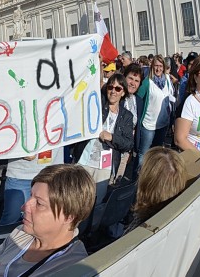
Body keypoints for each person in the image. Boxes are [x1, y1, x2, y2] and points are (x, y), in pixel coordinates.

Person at [0, 164, 95, 277]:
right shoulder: (21, 233)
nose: (24, 207)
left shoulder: (71, 269)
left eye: (39, 203)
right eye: (31, 195)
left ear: (69, 216)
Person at [77, 73, 135, 203]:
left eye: (118, 88)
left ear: (123, 93)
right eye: (110, 87)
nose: (113, 91)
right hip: (84, 161)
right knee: (78, 200)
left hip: (105, 166)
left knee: (96, 202)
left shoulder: (126, 116)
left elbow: (128, 144)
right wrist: (98, 63)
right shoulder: (97, 104)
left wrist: (112, 137)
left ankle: (93, 224)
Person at [124, 147, 186, 234]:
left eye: (141, 171)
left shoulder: (140, 228)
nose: (139, 173)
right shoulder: (184, 214)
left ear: (148, 182)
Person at [135, 55, 175, 168]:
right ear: (152, 67)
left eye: (160, 66)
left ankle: (152, 175)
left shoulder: (167, 79)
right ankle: (137, 178)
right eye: (156, 66)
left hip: (162, 123)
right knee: (144, 153)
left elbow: (170, 97)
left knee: (157, 152)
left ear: (164, 67)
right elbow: (138, 98)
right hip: (149, 124)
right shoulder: (147, 82)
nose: (158, 69)